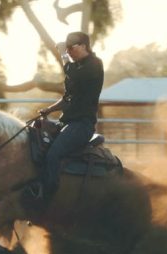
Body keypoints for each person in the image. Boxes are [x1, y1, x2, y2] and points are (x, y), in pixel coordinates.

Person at [36, 31, 104, 201]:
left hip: (82, 125)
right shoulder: (79, 67)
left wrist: (63, 55)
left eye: (71, 48)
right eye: (67, 49)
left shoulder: (94, 65)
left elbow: (72, 74)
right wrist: (49, 110)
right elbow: (68, 98)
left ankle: (49, 199)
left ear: (83, 46)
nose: (69, 52)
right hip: (67, 123)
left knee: (53, 154)